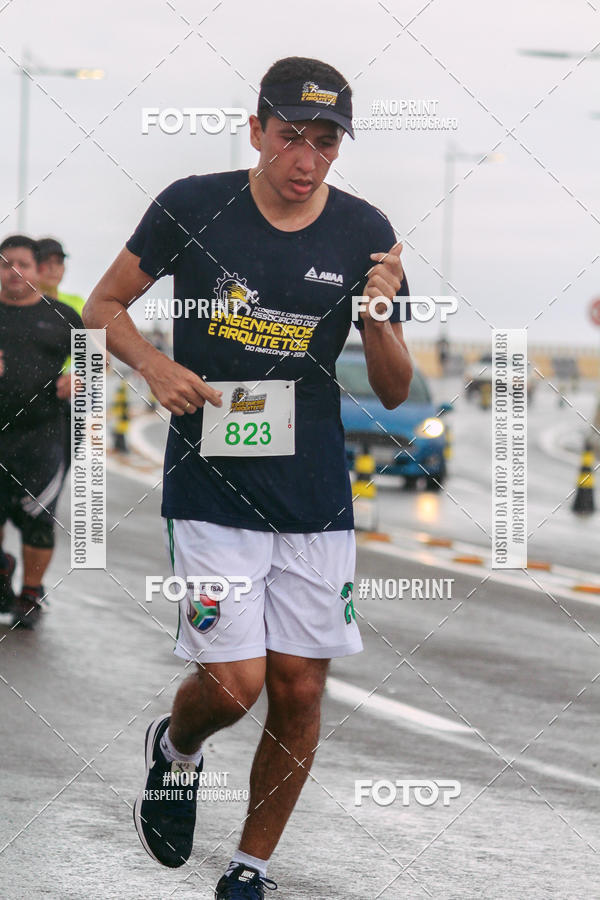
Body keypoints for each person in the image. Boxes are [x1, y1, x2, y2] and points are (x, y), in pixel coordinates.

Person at [83, 56, 413, 898]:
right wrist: (154, 366)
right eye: (292, 136)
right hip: (212, 484)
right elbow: (101, 307)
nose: (307, 159)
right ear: (258, 129)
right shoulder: (194, 206)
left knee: (299, 689)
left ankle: (249, 869)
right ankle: (176, 749)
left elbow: (393, 388)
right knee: (235, 686)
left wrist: (379, 320)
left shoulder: (365, 231)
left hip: (314, 494)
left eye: (326, 142)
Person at [0, 235, 82, 627]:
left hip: (44, 433)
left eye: (22, 264)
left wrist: (78, 376)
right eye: (5, 264)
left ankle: (31, 594)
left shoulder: (63, 315)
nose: (13, 272)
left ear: (38, 269)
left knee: (38, 517)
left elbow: (95, 359)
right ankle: (3, 567)